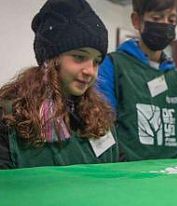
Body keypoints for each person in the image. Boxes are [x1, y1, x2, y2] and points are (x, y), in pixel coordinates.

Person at [0, 0, 118, 169]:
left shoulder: (99, 117)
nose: (90, 71)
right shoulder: (9, 117)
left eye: (96, 61)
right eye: (79, 57)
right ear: (51, 59)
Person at [96, 0, 177, 161]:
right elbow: (101, 124)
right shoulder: (113, 66)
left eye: (171, 20)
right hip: (131, 177)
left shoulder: (176, 77)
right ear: (137, 20)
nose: (165, 24)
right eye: (157, 18)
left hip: (175, 176)